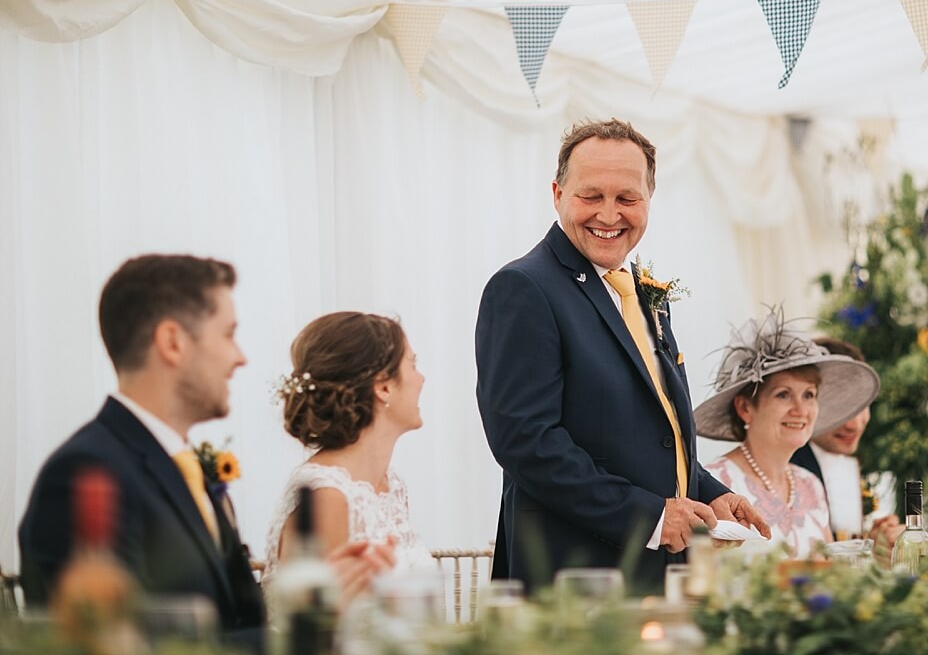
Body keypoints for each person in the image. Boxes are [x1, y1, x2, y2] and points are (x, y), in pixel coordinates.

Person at [18, 255, 391, 652]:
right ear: (172, 342)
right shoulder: (86, 474)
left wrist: (313, 606)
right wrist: (295, 634)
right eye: (228, 334)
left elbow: (233, 619)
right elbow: (116, 643)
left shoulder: (184, 468)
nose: (240, 356)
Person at [475, 118, 769, 593]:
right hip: (572, 580)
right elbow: (526, 441)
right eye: (591, 196)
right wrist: (650, 516)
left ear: (649, 200)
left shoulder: (648, 294)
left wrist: (713, 497)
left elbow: (652, 440)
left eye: (627, 198)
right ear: (557, 194)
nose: (609, 215)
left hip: (658, 578)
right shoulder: (525, 288)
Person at [262, 312, 434, 589]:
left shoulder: (391, 487)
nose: (422, 379)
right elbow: (311, 623)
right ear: (383, 387)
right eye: (413, 365)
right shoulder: (326, 495)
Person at [694, 311, 879, 558]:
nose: (801, 410)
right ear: (745, 408)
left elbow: (834, 578)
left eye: (809, 395)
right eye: (783, 394)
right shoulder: (715, 484)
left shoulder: (810, 484)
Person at [790, 337, 904, 554]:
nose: (854, 424)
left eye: (861, 406)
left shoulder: (846, 464)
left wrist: (871, 545)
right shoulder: (790, 468)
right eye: (840, 408)